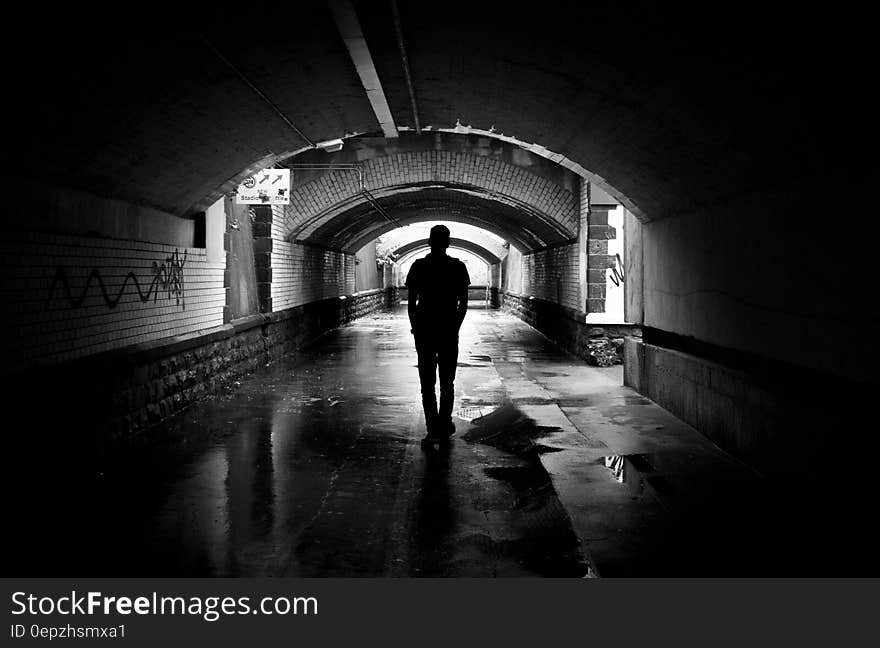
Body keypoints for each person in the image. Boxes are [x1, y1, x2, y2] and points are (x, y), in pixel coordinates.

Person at [405, 225, 470, 441]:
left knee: (427, 382)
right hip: (448, 330)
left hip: (424, 330)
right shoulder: (458, 267)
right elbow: (463, 304)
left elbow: (411, 303)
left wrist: (416, 327)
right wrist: (455, 326)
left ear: (429, 241)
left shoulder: (418, 267)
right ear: (448, 242)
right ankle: (444, 422)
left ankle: (432, 426)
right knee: (447, 381)